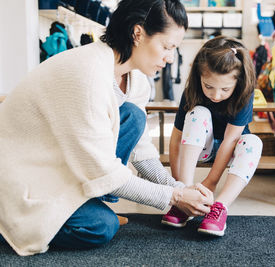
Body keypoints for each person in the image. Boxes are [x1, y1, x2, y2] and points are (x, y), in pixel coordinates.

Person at [0, 0, 213, 256]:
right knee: (101, 226)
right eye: (167, 46)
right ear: (137, 33)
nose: (170, 58)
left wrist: (177, 188)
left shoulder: (135, 79)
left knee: (133, 117)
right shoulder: (88, 75)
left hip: (62, 161)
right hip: (23, 174)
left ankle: (89, 202)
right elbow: (103, 170)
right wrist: (174, 198)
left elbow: (141, 149)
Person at [161, 36, 263, 236]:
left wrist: (211, 182)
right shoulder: (192, 90)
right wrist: (180, 188)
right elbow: (176, 138)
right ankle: (186, 200)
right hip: (201, 147)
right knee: (199, 113)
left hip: (231, 149)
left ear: (238, 82)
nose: (216, 96)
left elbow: (230, 140)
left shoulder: (245, 92)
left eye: (225, 89)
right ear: (199, 76)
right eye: (209, 86)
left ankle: (220, 207)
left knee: (253, 142)